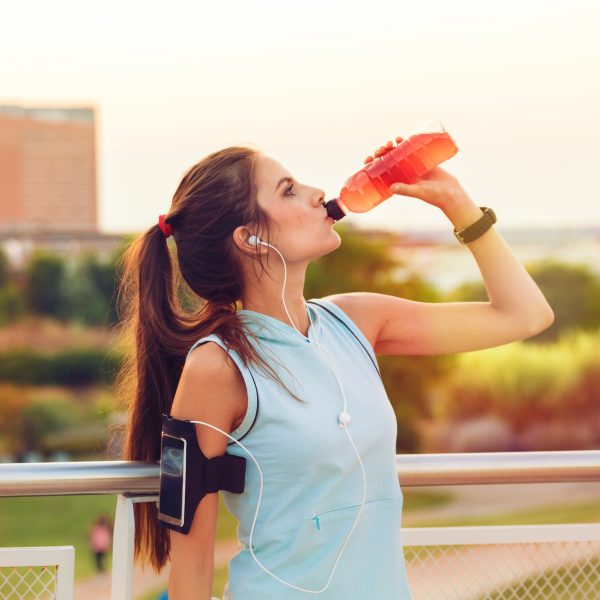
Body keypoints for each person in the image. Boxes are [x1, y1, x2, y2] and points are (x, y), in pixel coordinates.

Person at [115, 142, 554, 600]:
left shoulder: (359, 321)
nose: (316, 192)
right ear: (250, 238)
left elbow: (523, 315)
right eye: (288, 191)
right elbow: (192, 562)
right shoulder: (217, 367)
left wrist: (457, 204)